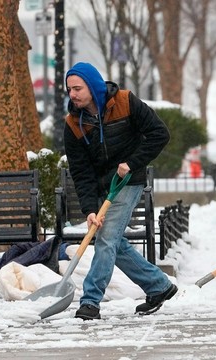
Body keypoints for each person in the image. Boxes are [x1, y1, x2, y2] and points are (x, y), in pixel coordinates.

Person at [63, 62, 177, 320]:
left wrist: (133, 162)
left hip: (127, 181)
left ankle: (90, 301)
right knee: (114, 241)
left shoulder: (125, 102)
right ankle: (159, 286)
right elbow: (81, 172)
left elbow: (160, 134)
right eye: (69, 89)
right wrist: (90, 209)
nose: (73, 94)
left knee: (105, 240)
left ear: (92, 86)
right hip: (103, 186)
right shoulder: (73, 124)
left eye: (78, 88)